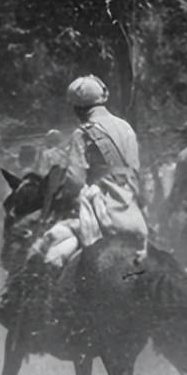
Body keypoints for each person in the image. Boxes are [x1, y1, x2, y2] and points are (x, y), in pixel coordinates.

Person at [36, 75, 147, 269]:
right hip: (132, 210)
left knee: (50, 253)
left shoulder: (83, 133)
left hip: (102, 212)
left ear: (78, 108)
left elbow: (75, 181)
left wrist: (63, 198)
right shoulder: (126, 127)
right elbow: (136, 169)